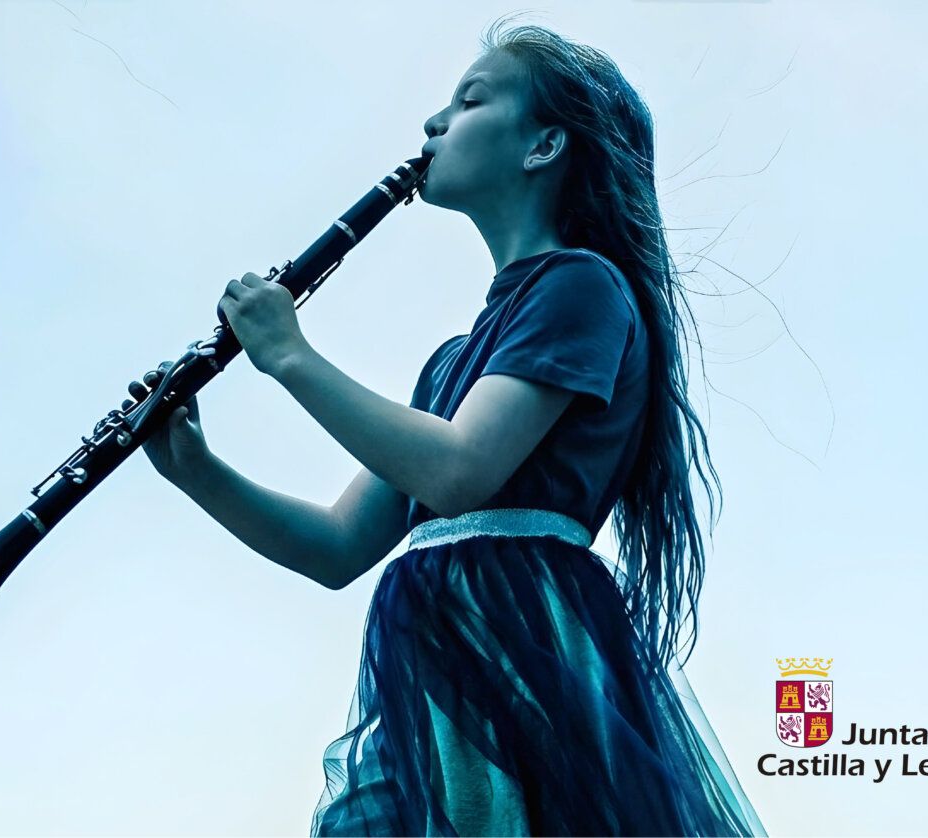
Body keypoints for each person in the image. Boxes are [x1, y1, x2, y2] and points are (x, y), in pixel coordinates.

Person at [141, 18, 768, 838]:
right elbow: (338, 546)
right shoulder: (451, 363)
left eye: (471, 101)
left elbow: (460, 471)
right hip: (437, 665)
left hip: (523, 648)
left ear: (543, 145)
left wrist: (290, 356)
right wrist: (196, 470)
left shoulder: (582, 286)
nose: (434, 123)